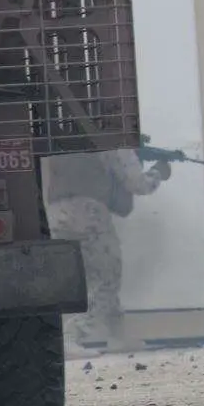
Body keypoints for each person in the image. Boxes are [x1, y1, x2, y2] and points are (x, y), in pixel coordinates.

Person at [46, 149, 171, 358]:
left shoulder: (69, 139)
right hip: (88, 213)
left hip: (59, 213)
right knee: (106, 277)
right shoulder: (116, 143)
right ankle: (72, 335)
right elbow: (138, 184)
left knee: (100, 273)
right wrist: (159, 171)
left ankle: (117, 335)